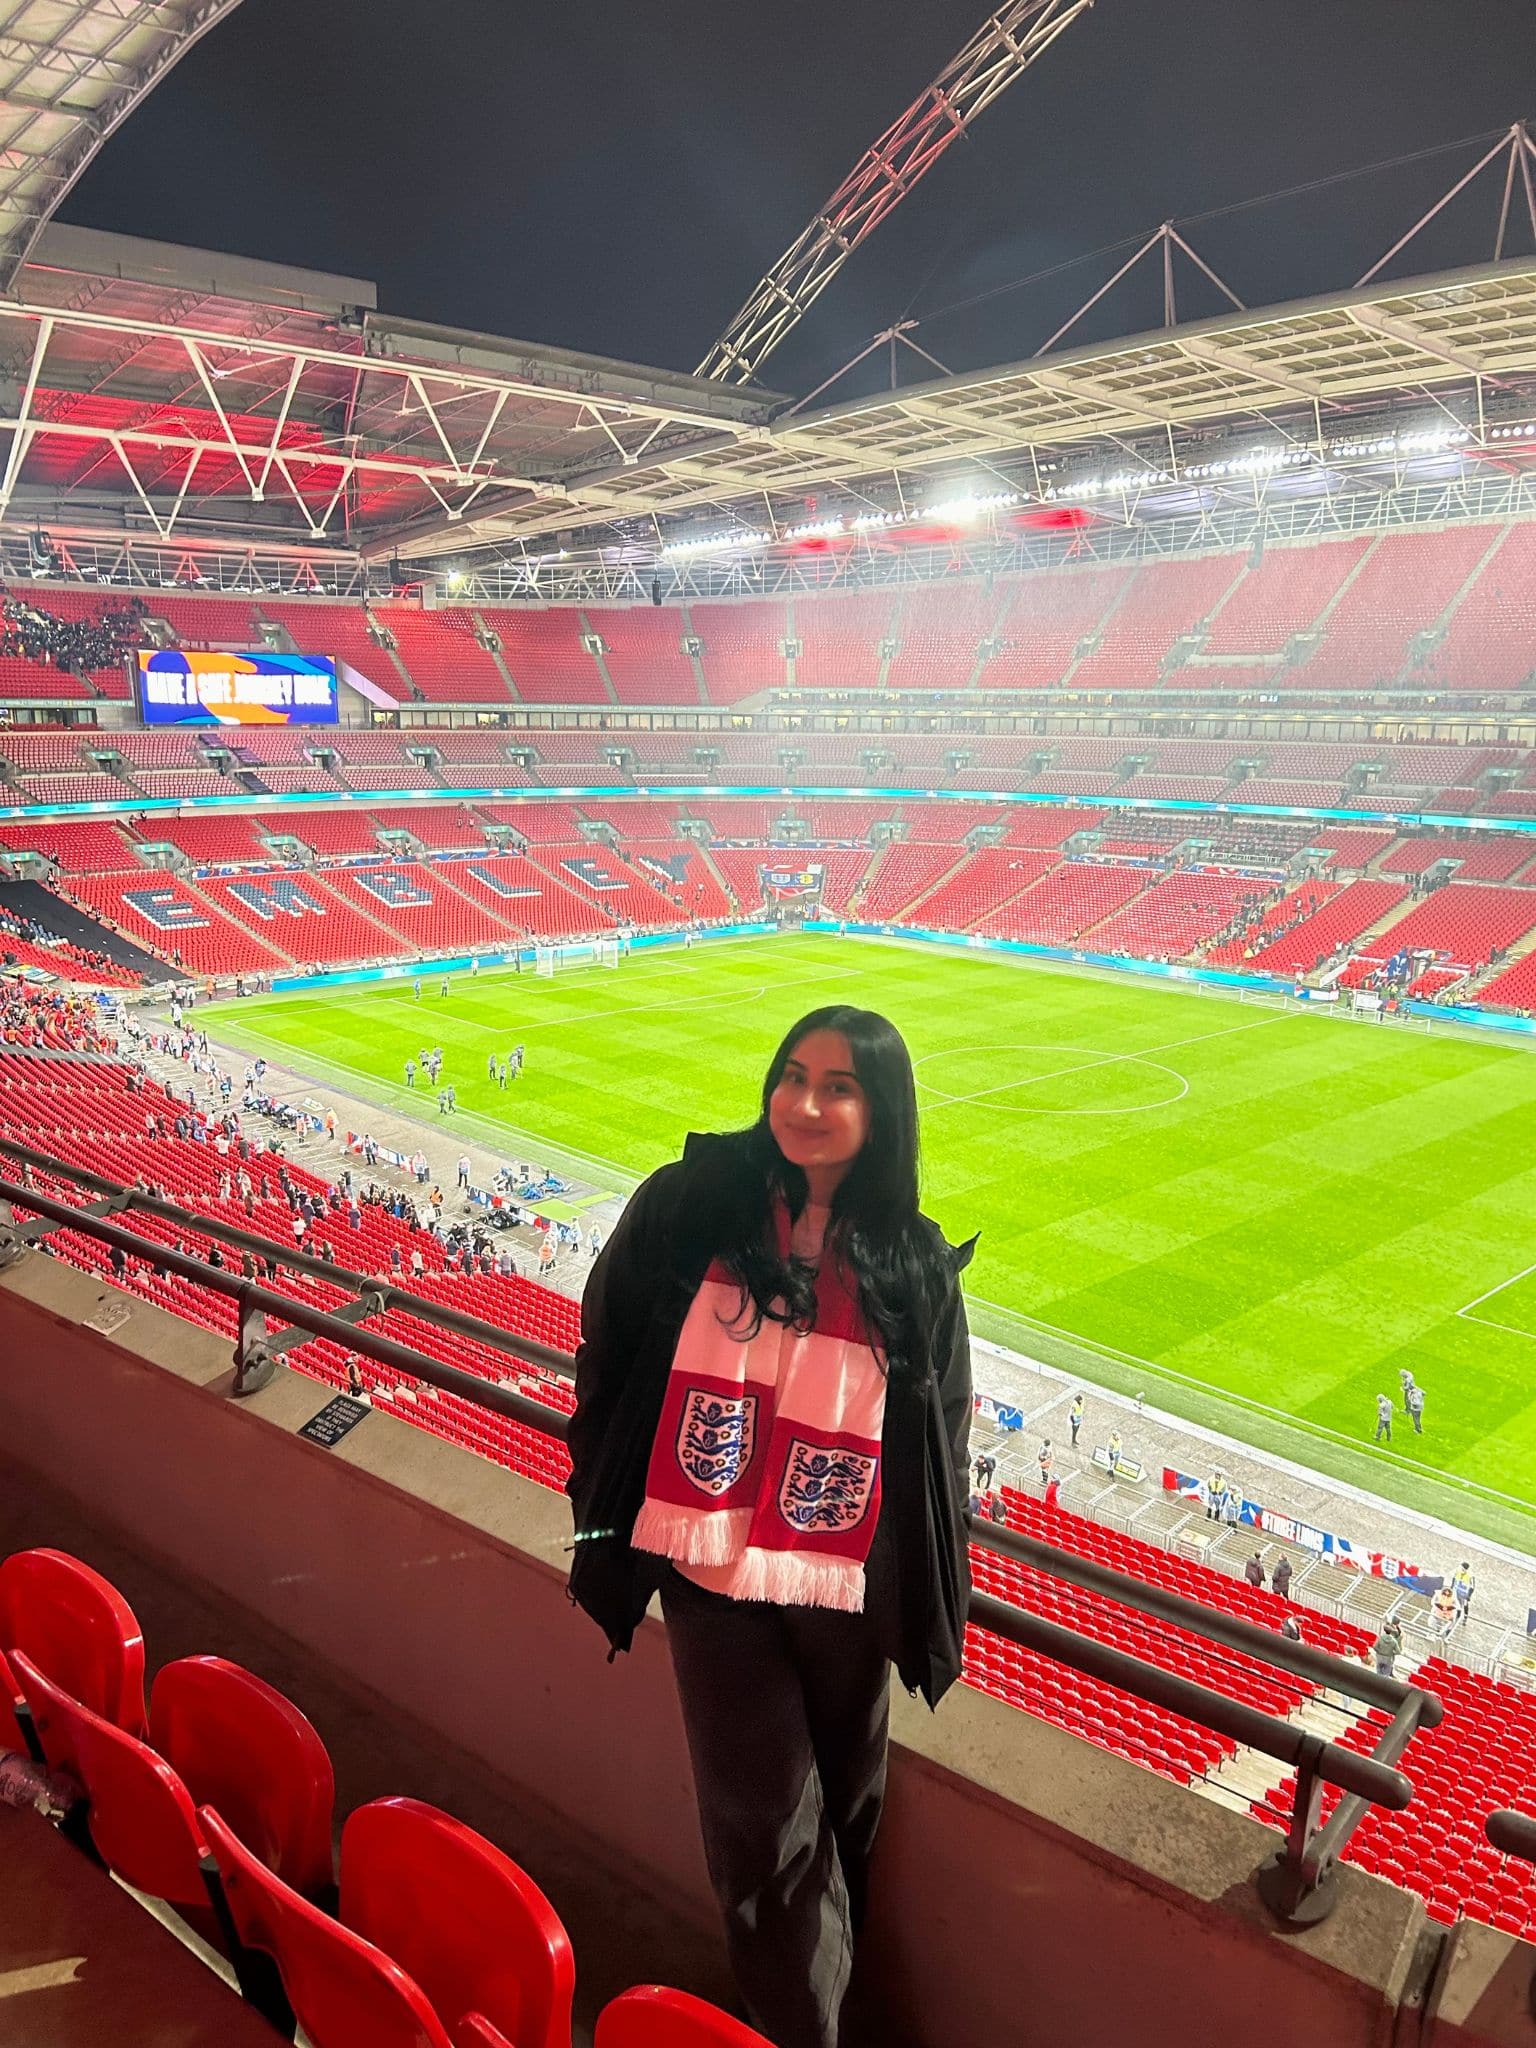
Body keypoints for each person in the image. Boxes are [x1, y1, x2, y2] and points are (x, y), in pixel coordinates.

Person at [566, 1005, 975, 2048]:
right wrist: (608, 1494)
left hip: (842, 1590)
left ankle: (834, 2014)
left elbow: (941, 1434)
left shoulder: (912, 1261)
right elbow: (606, 1339)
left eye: (839, 1086)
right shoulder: (691, 1205)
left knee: (848, 1814)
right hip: (710, 1576)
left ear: (882, 1113)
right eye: (793, 1075)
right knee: (764, 1838)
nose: (805, 1103)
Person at [1451, 1561, 1476, 1625]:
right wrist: (1452, 1587)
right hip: (1456, 1591)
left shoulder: (1470, 1576)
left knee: (1465, 1605)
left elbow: (1472, 1587)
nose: (1461, 1569)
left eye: (1462, 1568)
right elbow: (1454, 1578)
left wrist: (1468, 1595)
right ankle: (1456, 1618)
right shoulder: (1457, 1571)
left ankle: (1465, 1617)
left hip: (1464, 1593)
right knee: (1457, 1605)